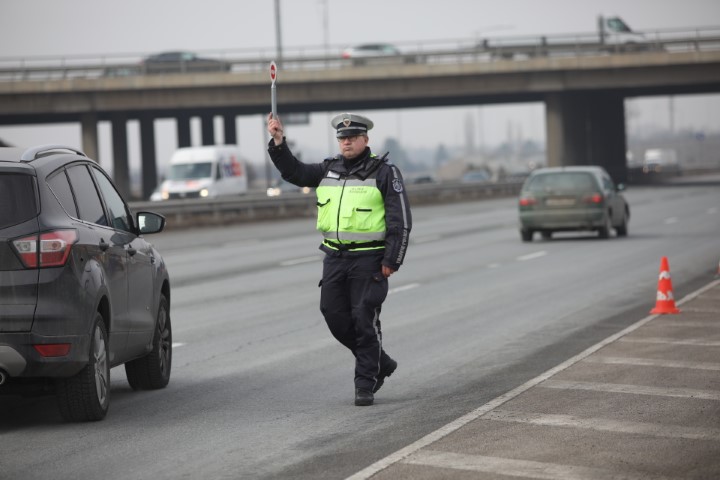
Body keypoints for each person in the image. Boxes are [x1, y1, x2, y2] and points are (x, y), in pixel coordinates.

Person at [267, 112, 412, 406]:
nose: (346, 142)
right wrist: (278, 142)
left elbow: (401, 220)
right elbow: (294, 173)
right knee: (333, 315)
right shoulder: (328, 169)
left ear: (365, 140)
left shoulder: (384, 172)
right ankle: (380, 361)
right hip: (334, 258)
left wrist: (392, 259)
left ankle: (365, 382)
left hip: (369, 261)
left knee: (363, 318)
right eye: (342, 138)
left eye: (352, 138)